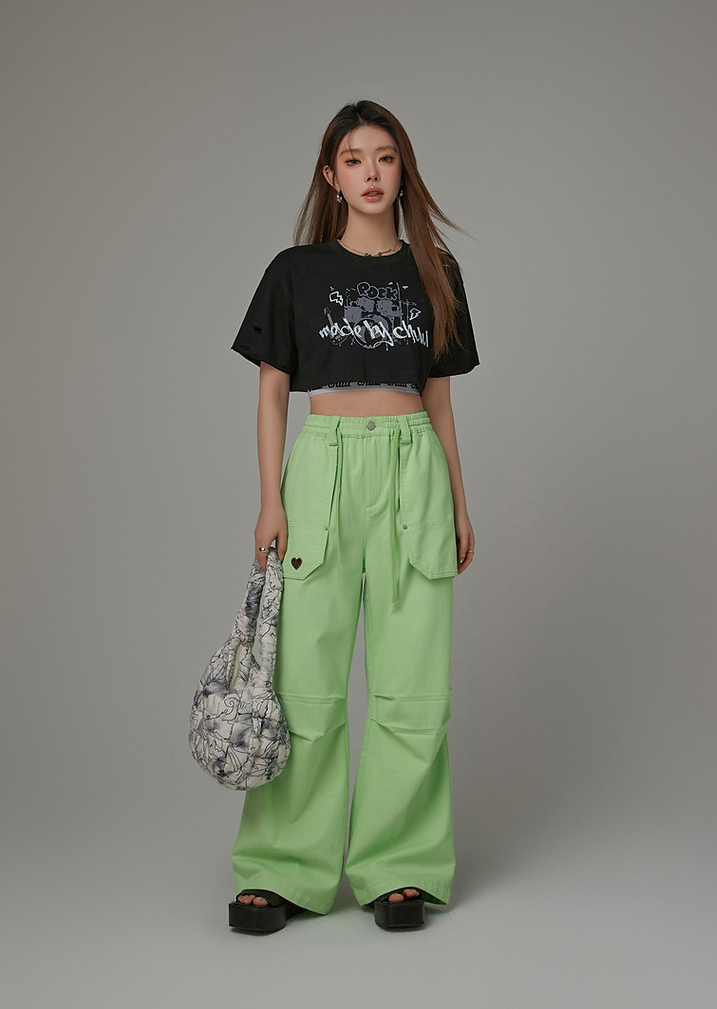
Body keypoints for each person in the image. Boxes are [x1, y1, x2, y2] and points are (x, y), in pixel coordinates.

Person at [226, 99, 479, 934]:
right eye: (354, 159)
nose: (372, 172)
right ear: (331, 176)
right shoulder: (295, 271)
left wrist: (459, 501)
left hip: (413, 467)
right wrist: (271, 497)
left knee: (413, 682)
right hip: (324, 467)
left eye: (385, 157)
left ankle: (398, 865)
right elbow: (271, 392)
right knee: (304, 681)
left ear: (403, 171)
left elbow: (439, 401)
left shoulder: (435, 271)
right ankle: (283, 868)